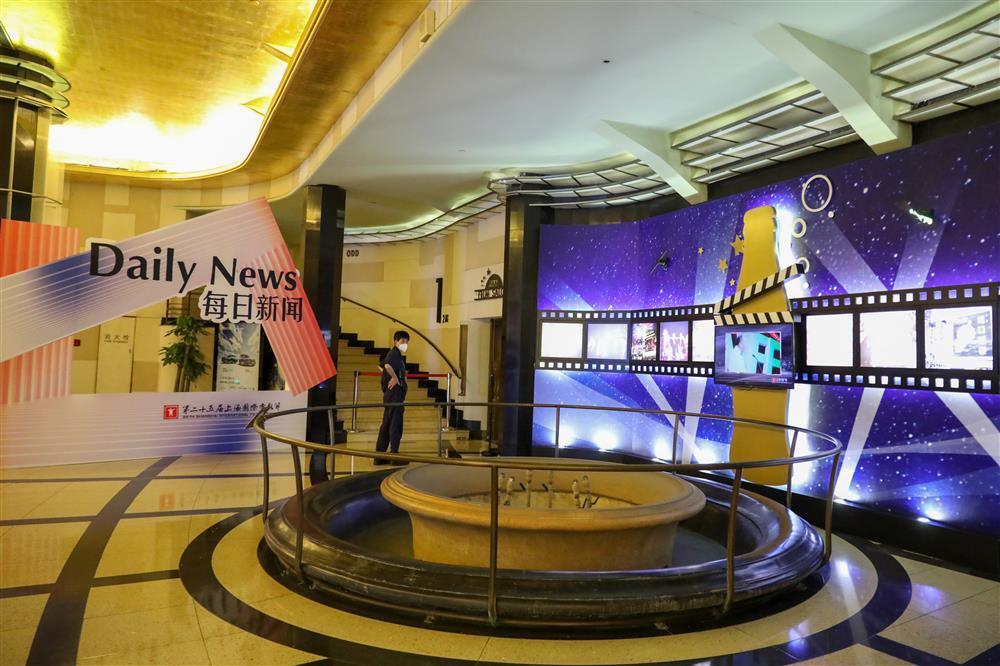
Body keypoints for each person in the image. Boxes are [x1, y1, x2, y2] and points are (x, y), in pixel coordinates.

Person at [374, 330, 410, 465]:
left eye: (406, 342)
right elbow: (387, 365)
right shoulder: (394, 353)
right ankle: (394, 455)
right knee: (395, 424)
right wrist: (394, 378)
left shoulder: (395, 355)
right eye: (402, 341)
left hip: (390, 395)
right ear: (395, 342)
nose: (405, 344)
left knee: (387, 424)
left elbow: (381, 365)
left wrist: (389, 375)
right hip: (394, 395)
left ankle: (379, 456)